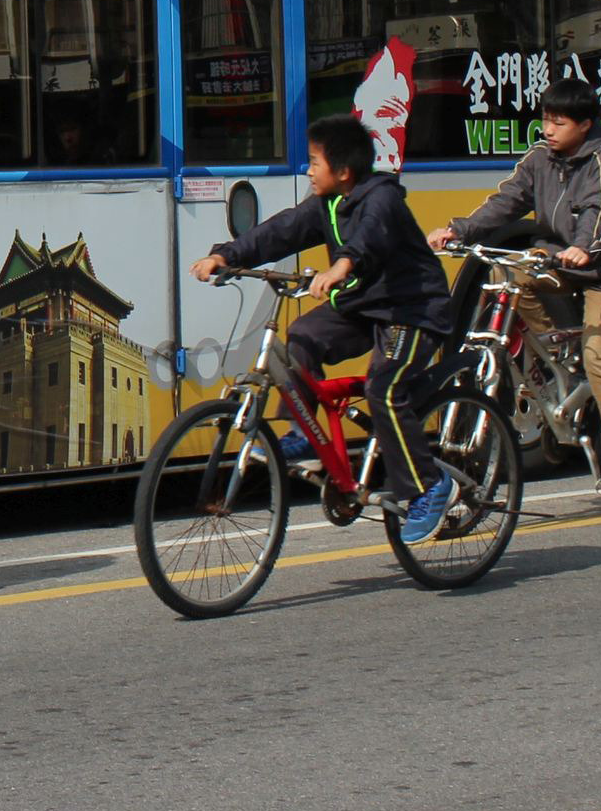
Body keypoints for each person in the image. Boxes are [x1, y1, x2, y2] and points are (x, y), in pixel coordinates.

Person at [189, 112, 458, 541]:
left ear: (344, 171)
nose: (309, 171)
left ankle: (430, 485)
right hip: (360, 307)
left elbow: (368, 238)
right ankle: (306, 437)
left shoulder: (381, 197)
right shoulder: (327, 205)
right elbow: (281, 231)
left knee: (382, 389)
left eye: (315, 162)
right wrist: (226, 255)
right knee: (298, 340)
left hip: (413, 311)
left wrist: (341, 267)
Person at [430, 76, 601, 499]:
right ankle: (558, 360)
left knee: (599, 353)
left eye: (559, 122)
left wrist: (585, 248)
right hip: (560, 261)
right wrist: (458, 230)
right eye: (545, 120)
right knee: (510, 280)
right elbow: (507, 200)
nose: (548, 130)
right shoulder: (540, 157)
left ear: (585, 125)